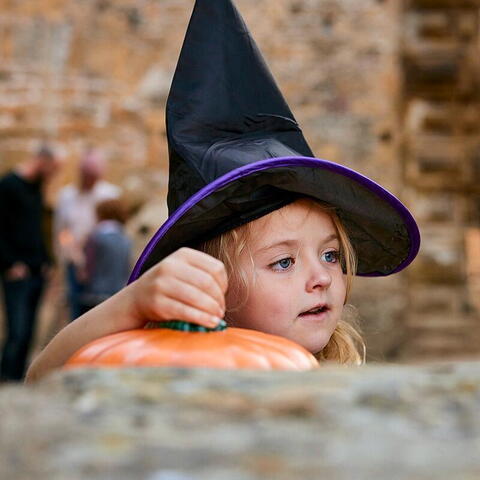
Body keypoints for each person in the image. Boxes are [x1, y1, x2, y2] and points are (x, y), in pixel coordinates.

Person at [25, 0, 420, 382]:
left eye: (331, 254)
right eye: (283, 262)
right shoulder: (172, 368)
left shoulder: (340, 373)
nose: (321, 277)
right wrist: (131, 304)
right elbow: (42, 379)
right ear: (215, 289)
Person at [0, 144, 60, 381]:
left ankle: (18, 383)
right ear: (42, 161)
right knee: (17, 332)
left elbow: (38, 230)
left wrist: (46, 261)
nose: (53, 175)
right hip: (17, 272)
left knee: (29, 335)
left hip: (37, 271)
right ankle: (5, 382)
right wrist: (9, 264)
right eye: (53, 169)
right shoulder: (8, 186)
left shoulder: (36, 188)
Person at [55, 148, 121, 321]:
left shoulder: (109, 194)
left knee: (100, 312)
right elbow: (62, 231)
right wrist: (75, 256)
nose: (91, 181)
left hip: (102, 262)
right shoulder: (67, 196)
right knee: (76, 310)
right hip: (75, 259)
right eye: (87, 176)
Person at [78, 198, 132, 315]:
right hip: (118, 292)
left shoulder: (95, 237)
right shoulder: (125, 239)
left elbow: (87, 269)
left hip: (96, 294)